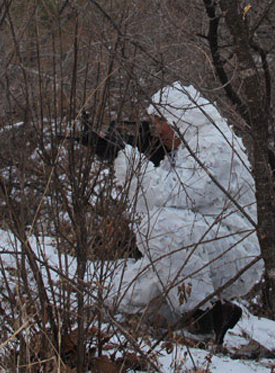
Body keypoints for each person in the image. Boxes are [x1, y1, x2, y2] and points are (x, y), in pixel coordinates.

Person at [110, 83, 263, 344]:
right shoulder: (184, 149)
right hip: (200, 249)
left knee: (161, 225)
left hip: (232, 252)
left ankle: (203, 321)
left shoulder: (214, 145)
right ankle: (218, 314)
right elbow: (144, 212)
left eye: (161, 121)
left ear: (181, 117)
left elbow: (174, 197)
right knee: (120, 298)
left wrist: (126, 158)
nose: (157, 129)